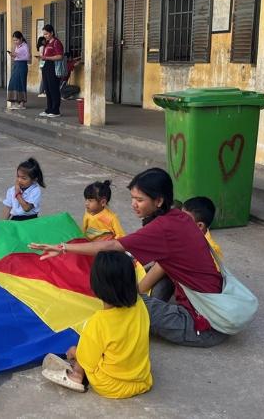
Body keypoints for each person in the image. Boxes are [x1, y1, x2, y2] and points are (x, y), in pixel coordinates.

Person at [30, 168, 227, 348]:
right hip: (216, 312)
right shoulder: (179, 217)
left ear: (158, 201)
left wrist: (63, 248)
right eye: (132, 198)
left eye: (140, 200)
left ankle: (137, 316)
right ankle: (145, 310)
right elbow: (163, 266)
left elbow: (112, 246)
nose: (133, 204)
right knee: (138, 285)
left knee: (119, 298)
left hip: (202, 326)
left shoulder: (163, 228)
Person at [43, 251, 153, 398]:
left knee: (83, 348)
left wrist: (76, 352)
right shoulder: (140, 306)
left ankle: (76, 375)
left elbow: (88, 360)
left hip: (111, 385)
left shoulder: (99, 322)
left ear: (95, 287)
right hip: (142, 380)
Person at [37, 24, 64, 117]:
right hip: (46, 66)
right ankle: (49, 109)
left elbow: (60, 56)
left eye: (47, 34)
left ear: (52, 33)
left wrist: (47, 57)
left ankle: (56, 110)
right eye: (44, 34)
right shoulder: (47, 43)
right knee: (47, 89)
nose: (45, 36)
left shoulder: (56, 43)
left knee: (54, 88)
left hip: (53, 66)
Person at [7, 31, 30, 110]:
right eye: (14, 40)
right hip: (16, 65)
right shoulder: (18, 46)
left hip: (22, 66)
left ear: (21, 38)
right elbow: (17, 57)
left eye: (16, 40)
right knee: (13, 83)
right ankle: (15, 101)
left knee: (21, 83)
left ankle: (22, 103)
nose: (15, 42)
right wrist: (13, 56)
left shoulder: (25, 46)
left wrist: (17, 55)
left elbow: (27, 57)